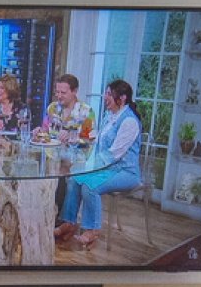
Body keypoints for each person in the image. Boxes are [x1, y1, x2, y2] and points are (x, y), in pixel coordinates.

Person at [56, 79, 144, 249]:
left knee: (90, 186)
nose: (105, 97)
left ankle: (92, 229)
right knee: (74, 179)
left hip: (125, 172)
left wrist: (91, 167)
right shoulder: (109, 116)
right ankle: (69, 222)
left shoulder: (129, 121)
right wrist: (77, 141)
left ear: (122, 98)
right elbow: (96, 140)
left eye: (109, 94)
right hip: (107, 168)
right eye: (106, 93)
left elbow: (114, 153)